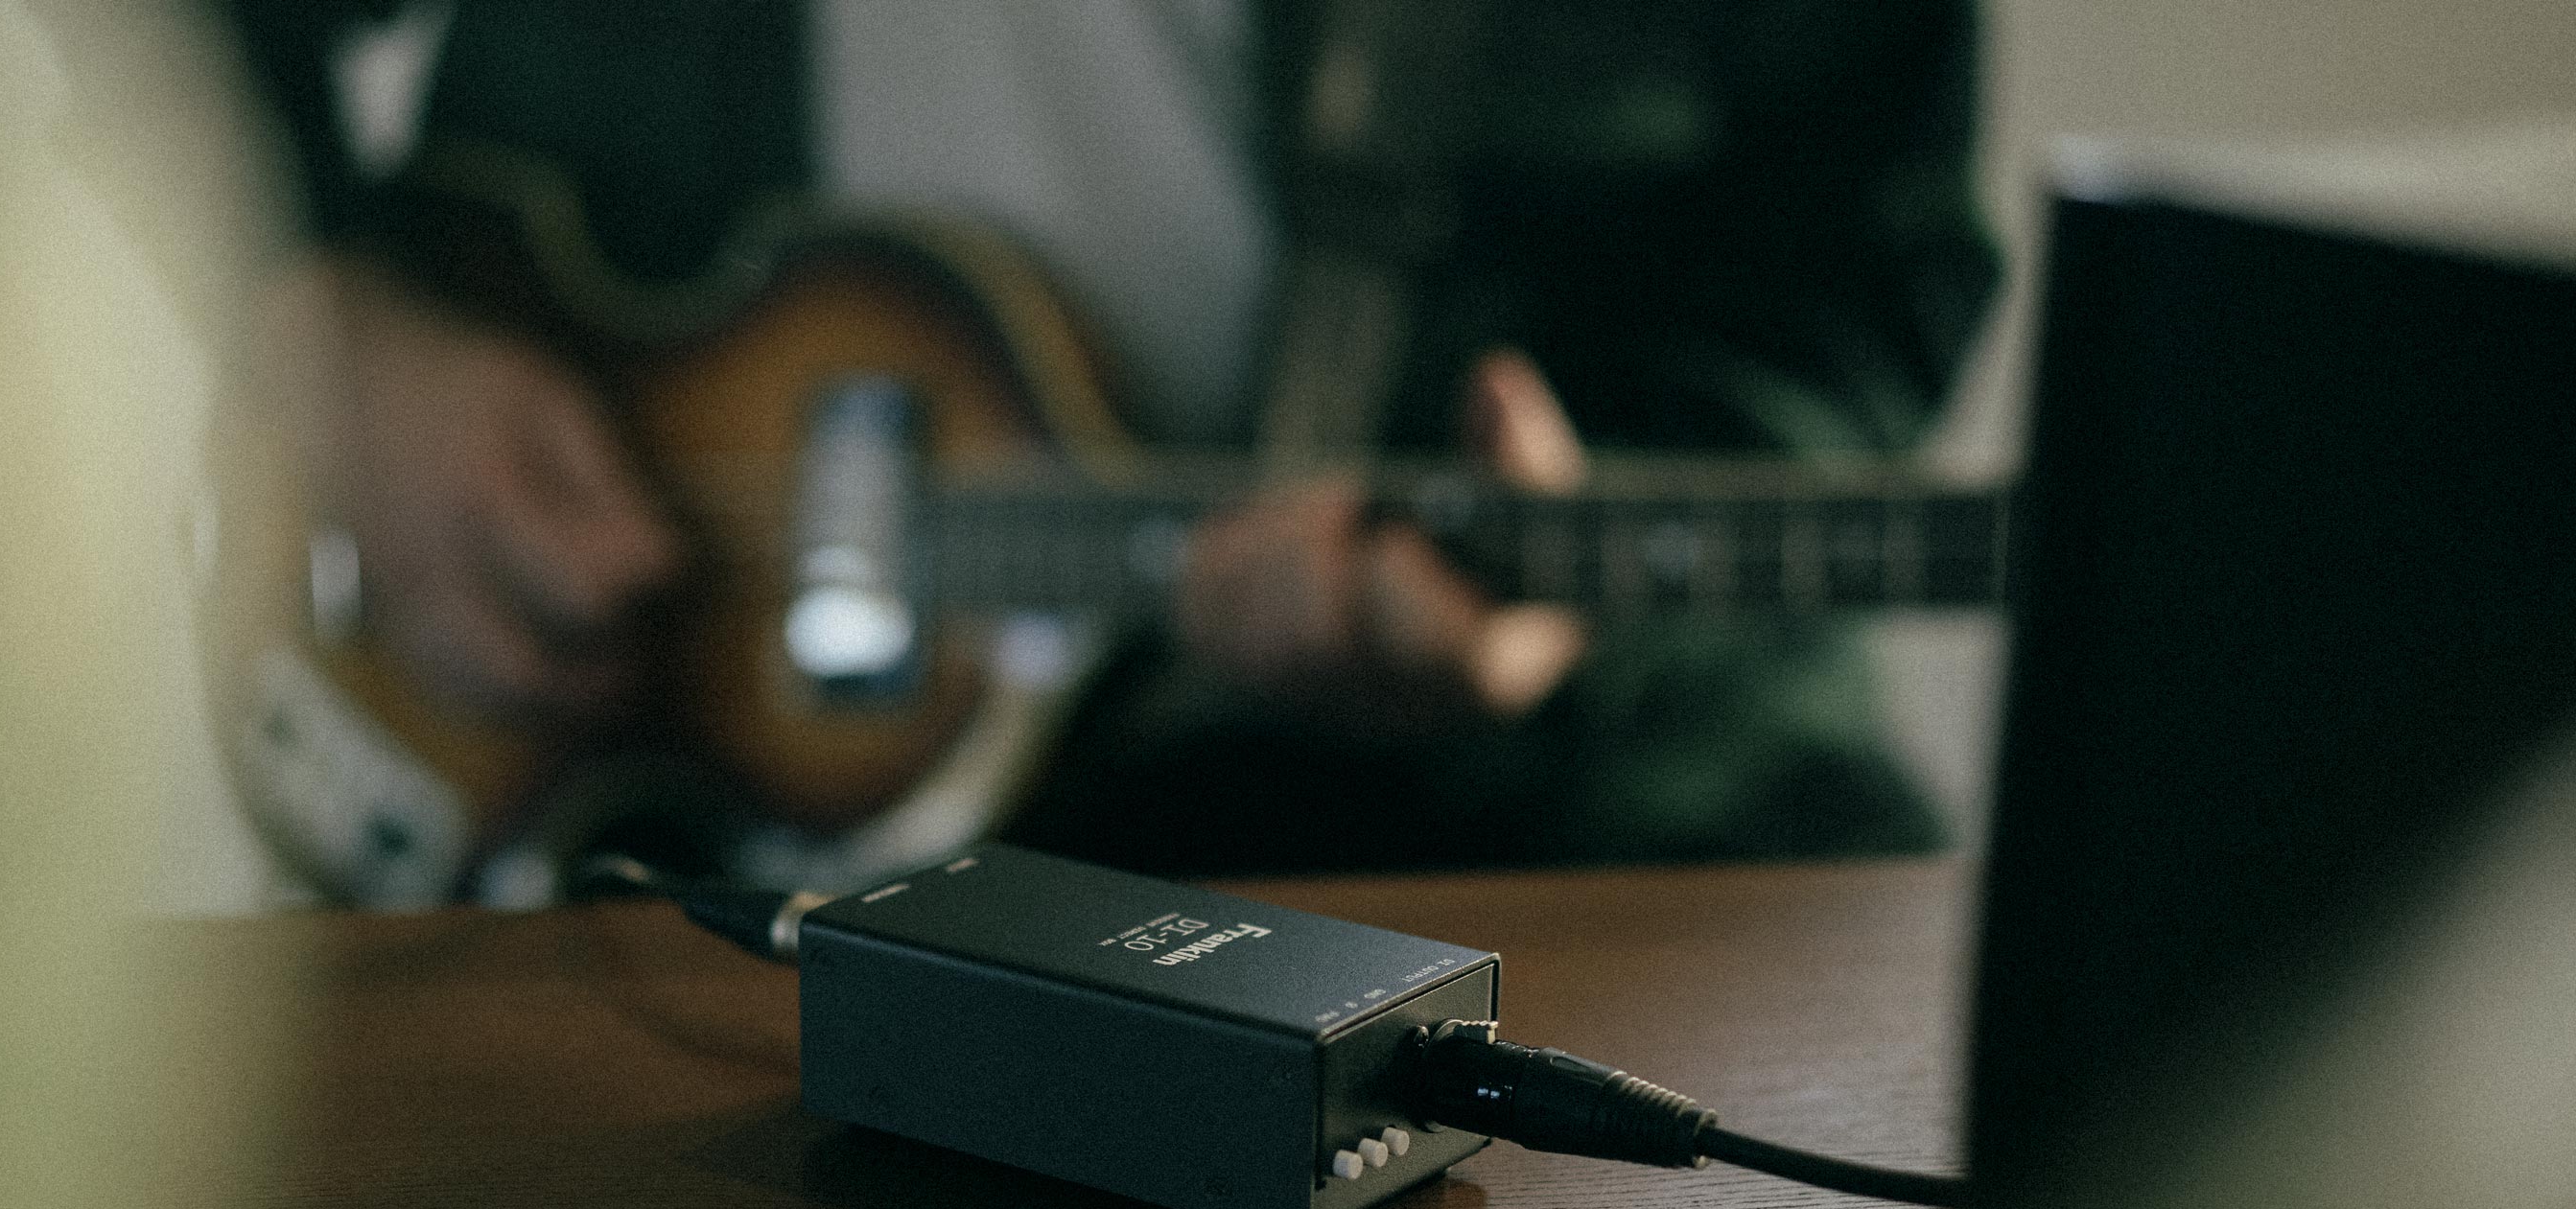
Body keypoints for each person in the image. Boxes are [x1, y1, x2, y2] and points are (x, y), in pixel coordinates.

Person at [212, 0, 2000, 879]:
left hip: (1523, 871)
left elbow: (1855, 261)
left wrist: (1570, 595)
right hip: (643, 892)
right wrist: (322, 324)